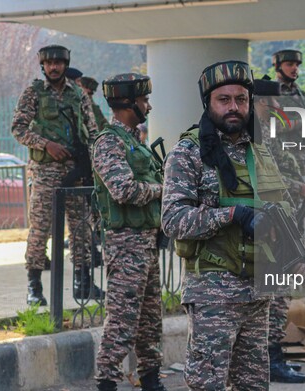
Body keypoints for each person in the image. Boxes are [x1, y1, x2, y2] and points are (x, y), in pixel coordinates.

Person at [162, 60, 290, 390]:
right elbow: (173, 221)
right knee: (208, 385)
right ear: (209, 103)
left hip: (256, 290)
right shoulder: (188, 153)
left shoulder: (258, 150)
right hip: (213, 292)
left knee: (254, 385)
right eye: (224, 99)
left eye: (241, 99)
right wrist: (232, 215)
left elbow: (277, 204)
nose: (234, 107)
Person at [11, 44, 101, 306]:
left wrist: (92, 161)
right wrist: (45, 144)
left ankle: (83, 283)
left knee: (81, 229)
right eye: (49, 63)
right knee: (40, 229)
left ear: (65, 64)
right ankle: (34, 286)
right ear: (43, 66)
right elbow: (18, 129)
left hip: (76, 171)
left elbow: (93, 132)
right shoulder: (34, 93)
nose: (53, 67)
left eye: (58, 63)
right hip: (45, 171)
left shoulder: (78, 95)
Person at [92, 73, 165, 391]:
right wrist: (163, 190)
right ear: (127, 103)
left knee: (150, 320)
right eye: (143, 100)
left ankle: (151, 379)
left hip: (146, 241)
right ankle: (106, 382)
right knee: (122, 321)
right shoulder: (109, 141)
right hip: (125, 243)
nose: (147, 106)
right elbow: (123, 190)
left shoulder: (136, 141)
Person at [254, 77, 305, 383]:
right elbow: (268, 176)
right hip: (272, 223)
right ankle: (271, 359)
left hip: (283, 217)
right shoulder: (254, 132)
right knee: (276, 293)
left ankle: (273, 356)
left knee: (281, 290)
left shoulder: (267, 130)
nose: (277, 108)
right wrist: (298, 187)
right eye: (273, 103)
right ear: (262, 102)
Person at [272, 49, 305, 175]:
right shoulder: (271, 93)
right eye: (289, 64)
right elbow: (272, 125)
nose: (295, 68)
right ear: (278, 67)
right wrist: (302, 122)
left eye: (297, 65)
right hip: (283, 156)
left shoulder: (302, 94)